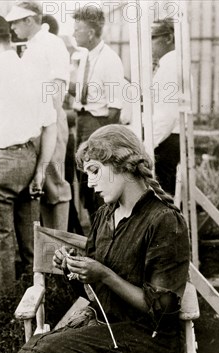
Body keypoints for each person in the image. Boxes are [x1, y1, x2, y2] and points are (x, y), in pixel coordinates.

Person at [15, 125, 190, 353]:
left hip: (149, 342)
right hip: (108, 332)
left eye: (94, 171)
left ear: (122, 165)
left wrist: (103, 274)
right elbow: (91, 290)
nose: (90, 183)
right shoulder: (105, 215)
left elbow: (162, 309)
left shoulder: (164, 221)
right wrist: (74, 269)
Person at [0, 15, 57, 295]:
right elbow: (50, 126)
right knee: (29, 235)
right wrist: (41, 170)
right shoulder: (35, 72)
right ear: (9, 38)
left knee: (1, 237)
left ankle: (4, 303)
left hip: (0, 160)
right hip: (29, 157)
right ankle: (39, 297)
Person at [5, 1, 72, 232]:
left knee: (54, 182)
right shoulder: (32, 46)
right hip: (35, 122)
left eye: (15, 23)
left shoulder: (51, 44)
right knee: (41, 185)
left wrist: (48, 123)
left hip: (49, 120)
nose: (12, 28)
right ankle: (48, 252)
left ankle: (59, 247)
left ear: (29, 20)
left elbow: (57, 87)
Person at [70, 5, 126, 221]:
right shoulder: (85, 57)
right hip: (82, 121)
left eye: (77, 29)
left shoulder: (110, 60)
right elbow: (85, 92)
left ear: (91, 33)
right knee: (84, 181)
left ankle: (105, 234)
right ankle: (95, 231)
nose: (74, 33)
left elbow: (115, 109)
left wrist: (104, 142)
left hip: (98, 124)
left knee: (98, 181)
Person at [151, 18, 180, 198]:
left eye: (153, 37)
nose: (150, 44)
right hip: (167, 137)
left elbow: (167, 114)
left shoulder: (170, 65)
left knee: (163, 196)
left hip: (166, 140)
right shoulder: (169, 63)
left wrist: (148, 144)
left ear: (168, 38)